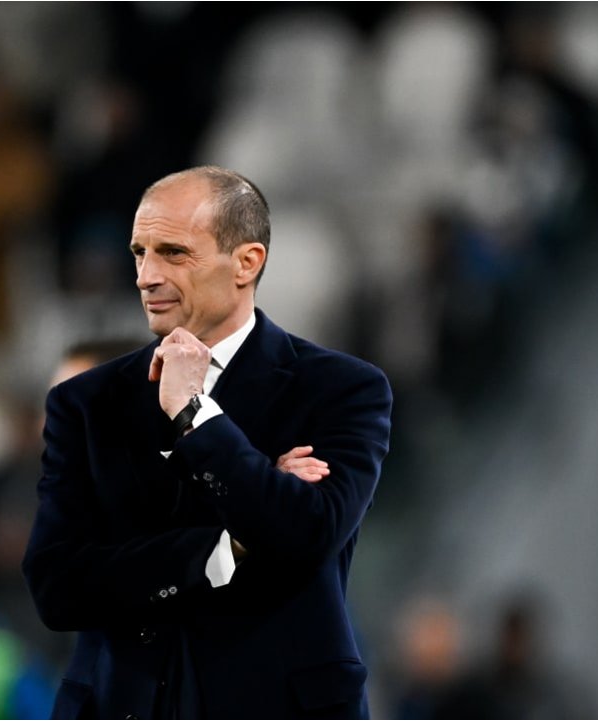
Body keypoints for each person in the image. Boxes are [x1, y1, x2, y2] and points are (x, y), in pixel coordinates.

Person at [22, 166, 392, 718]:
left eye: (173, 253)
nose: (146, 276)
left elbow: (308, 533)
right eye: (140, 253)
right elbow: (58, 587)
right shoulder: (84, 401)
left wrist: (194, 414)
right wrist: (229, 545)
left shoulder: (341, 388)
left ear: (247, 262)